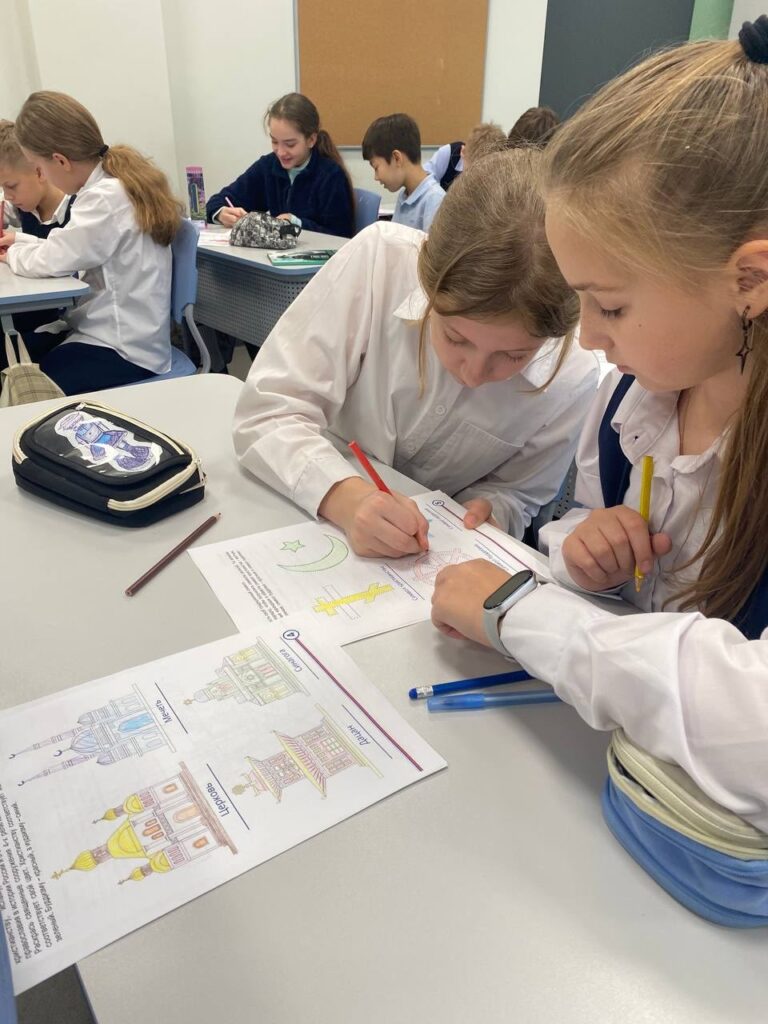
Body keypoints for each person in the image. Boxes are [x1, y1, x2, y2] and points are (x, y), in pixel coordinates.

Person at [430, 20, 768, 926]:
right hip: (609, 805)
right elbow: (572, 519)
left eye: (609, 306)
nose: (587, 338)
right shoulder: (632, 403)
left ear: (750, 280)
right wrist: (581, 547)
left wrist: (521, 613)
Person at [233, 148, 599, 557]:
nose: (473, 374)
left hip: (433, 556)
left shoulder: (573, 375)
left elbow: (519, 492)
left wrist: (493, 509)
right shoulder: (381, 262)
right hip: (303, 513)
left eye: (514, 357)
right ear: (426, 280)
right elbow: (268, 411)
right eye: (456, 338)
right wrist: (345, 497)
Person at [0, 91, 182, 394]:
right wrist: (19, 241)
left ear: (60, 161)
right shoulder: (109, 187)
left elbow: (54, 260)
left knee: (27, 388)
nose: (42, 175)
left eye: (39, 167)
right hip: (114, 335)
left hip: (124, 350)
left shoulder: (104, 198)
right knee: (21, 358)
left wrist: (11, 255)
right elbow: (66, 245)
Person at [206, 93, 354, 238]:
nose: (281, 152)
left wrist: (296, 223)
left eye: (290, 144)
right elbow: (219, 201)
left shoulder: (331, 176)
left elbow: (341, 236)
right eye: (275, 142)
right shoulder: (268, 166)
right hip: (277, 253)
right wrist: (220, 213)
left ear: (311, 140)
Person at [0, 118, 74, 347]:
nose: (7, 195)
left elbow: (65, 260)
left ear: (39, 172)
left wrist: (18, 242)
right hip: (31, 307)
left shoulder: (77, 212)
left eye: (11, 186)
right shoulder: (23, 205)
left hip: (63, 318)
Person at [362, 113, 444, 232]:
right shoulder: (404, 195)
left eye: (376, 168)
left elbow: (431, 245)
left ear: (396, 158)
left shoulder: (435, 200)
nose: (376, 177)